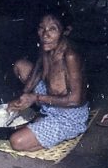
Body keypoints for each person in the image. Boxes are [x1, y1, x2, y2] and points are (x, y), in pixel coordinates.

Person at [7, 12, 89, 151]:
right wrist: (24, 95)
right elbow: (38, 68)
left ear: (66, 31)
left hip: (68, 115)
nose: (45, 35)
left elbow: (76, 100)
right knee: (20, 66)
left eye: (52, 29)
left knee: (16, 141)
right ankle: (42, 118)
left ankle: (50, 128)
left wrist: (36, 98)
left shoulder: (70, 56)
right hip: (50, 100)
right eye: (41, 28)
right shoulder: (48, 45)